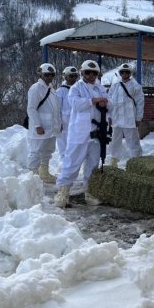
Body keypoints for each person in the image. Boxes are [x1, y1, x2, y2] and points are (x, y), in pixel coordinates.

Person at [54, 60, 110, 208]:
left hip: (96, 133)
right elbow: (75, 103)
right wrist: (93, 100)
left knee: (93, 165)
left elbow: (110, 103)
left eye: (94, 73)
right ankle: (63, 191)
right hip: (79, 133)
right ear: (82, 73)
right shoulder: (76, 88)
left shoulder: (100, 88)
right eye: (87, 72)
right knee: (72, 162)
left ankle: (89, 191)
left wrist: (106, 103)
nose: (91, 75)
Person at [26, 63, 62, 184]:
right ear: (41, 74)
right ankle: (30, 178)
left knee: (47, 151)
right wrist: (37, 125)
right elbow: (31, 108)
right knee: (36, 152)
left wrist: (58, 124)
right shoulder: (35, 88)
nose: (49, 77)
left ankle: (44, 173)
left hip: (51, 128)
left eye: (52, 75)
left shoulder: (51, 90)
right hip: (40, 128)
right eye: (47, 74)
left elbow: (56, 109)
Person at [107, 63, 144, 167]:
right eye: (122, 72)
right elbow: (109, 102)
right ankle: (114, 161)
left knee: (133, 142)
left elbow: (140, 103)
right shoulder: (115, 85)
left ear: (130, 73)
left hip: (130, 119)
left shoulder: (136, 86)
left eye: (127, 72)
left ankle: (136, 162)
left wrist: (139, 118)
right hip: (117, 119)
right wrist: (109, 116)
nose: (124, 74)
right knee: (115, 142)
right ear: (120, 73)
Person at [57, 66, 79, 162]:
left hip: (77, 125)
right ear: (65, 77)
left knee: (76, 147)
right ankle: (64, 167)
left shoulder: (80, 89)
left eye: (75, 76)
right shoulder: (60, 91)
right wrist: (58, 123)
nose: (73, 78)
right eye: (71, 76)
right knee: (63, 148)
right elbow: (57, 109)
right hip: (64, 126)